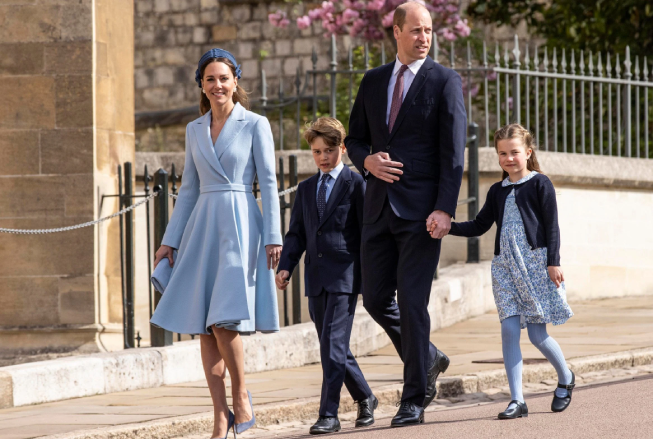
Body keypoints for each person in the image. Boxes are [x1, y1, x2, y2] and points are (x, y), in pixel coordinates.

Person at [344, 1, 467, 427]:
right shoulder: (374, 81)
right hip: (378, 208)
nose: (424, 38)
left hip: (422, 215)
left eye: (429, 30)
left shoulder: (445, 81)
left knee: (413, 303)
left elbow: (454, 155)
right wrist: (367, 162)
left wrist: (444, 209)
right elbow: (354, 138)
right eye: (415, 30)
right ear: (395, 31)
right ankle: (428, 356)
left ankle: (414, 396)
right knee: (376, 298)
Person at [150, 48, 283, 439]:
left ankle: (241, 396)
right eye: (210, 79)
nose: (218, 85)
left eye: (224, 78)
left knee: (224, 320)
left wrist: (274, 234)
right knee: (205, 327)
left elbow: (270, 183)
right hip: (202, 228)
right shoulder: (194, 130)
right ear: (202, 85)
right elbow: (188, 190)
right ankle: (219, 414)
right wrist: (168, 242)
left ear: (235, 82)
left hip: (241, 226)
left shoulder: (255, 124)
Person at [446, 123, 575, 419]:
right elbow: (479, 225)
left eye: (514, 152)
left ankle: (566, 378)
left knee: (538, 336)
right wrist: (446, 227)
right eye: (502, 153)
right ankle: (517, 400)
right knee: (508, 329)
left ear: (527, 153)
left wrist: (553, 262)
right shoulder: (496, 191)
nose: (509, 158)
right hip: (505, 266)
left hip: (535, 264)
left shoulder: (540, 183)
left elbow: (552, 225)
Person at [275, 117, 376, 435]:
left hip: (345, 276)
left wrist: (369, 279)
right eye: (317, 151)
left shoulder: (355, 183)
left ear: (342, 149)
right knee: (332, 348)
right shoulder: (305, 189)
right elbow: (297, 234)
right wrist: (286, 266)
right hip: (314, 279)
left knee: (332, 346)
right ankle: (365, 396)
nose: (323, 157)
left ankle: (328, 415)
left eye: (330, 150)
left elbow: (366, 235)